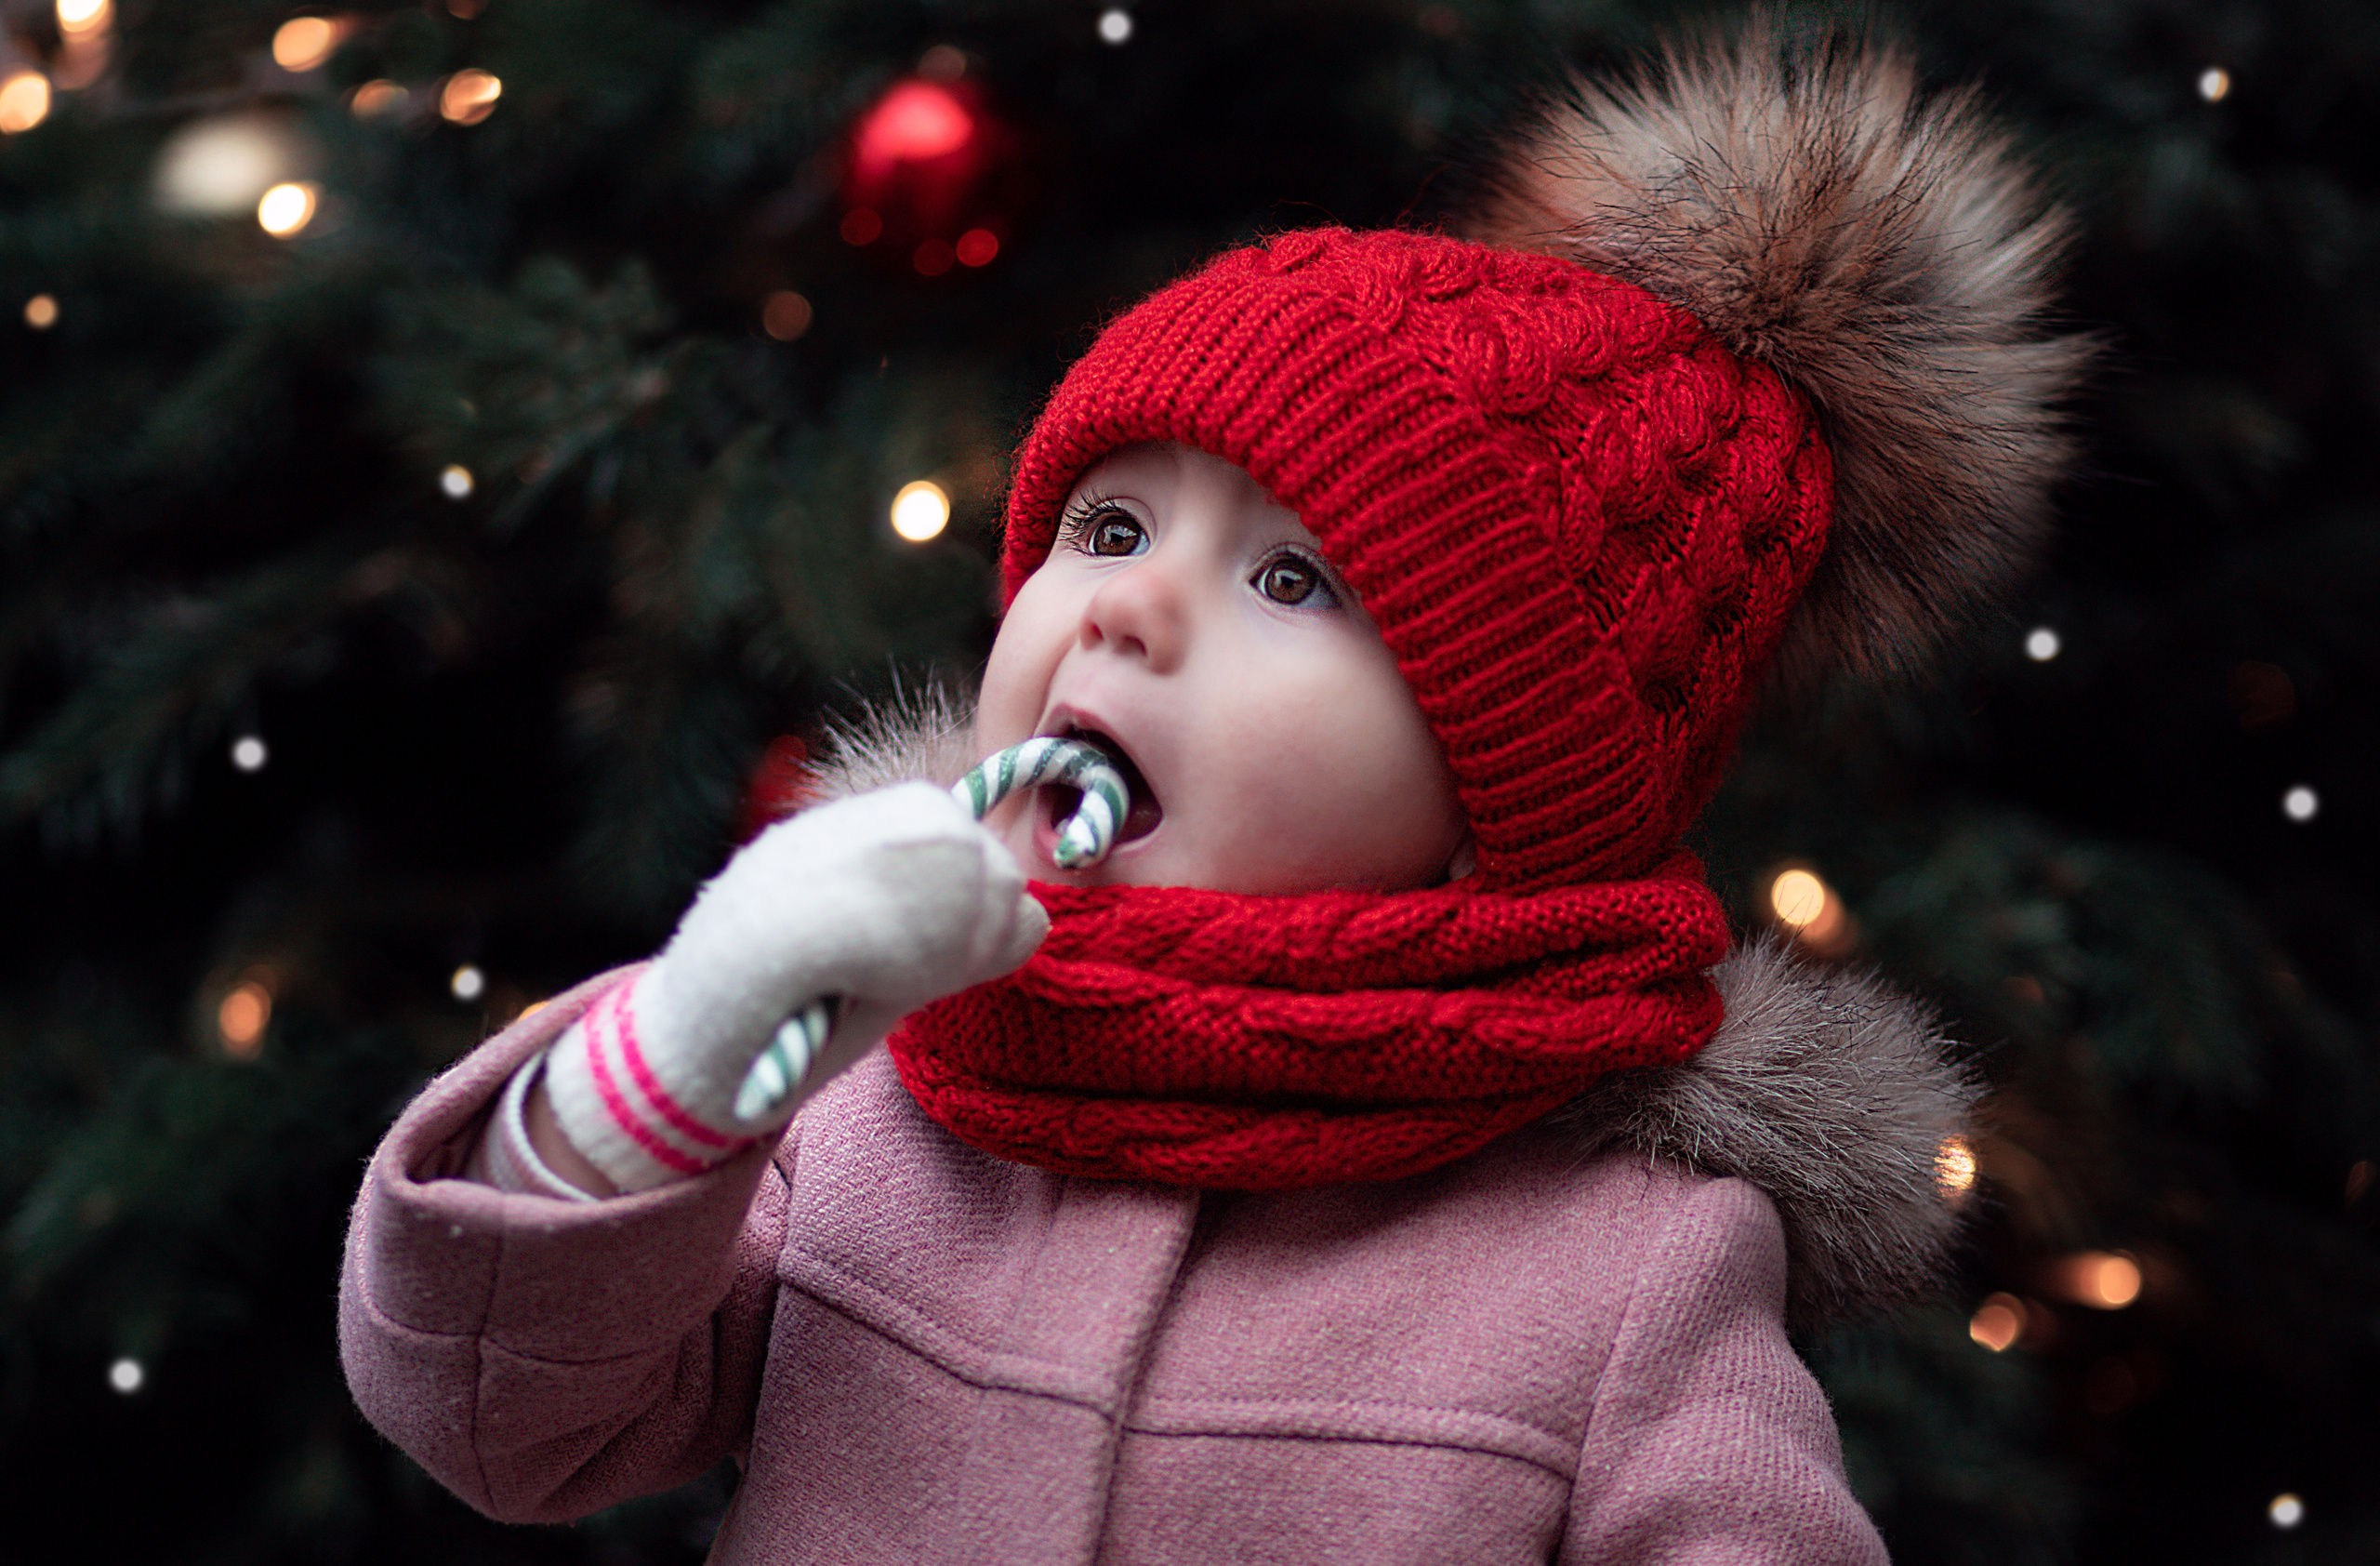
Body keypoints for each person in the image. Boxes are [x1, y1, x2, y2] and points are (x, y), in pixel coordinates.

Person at [340, 30, 2084, 1563]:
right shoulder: (884, 1096)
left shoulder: (1628, 1270)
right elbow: (511, 1427)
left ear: (1507, 785)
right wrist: (685, 1061)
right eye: (1109, 526)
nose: (1128, 604)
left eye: (1295, 582)